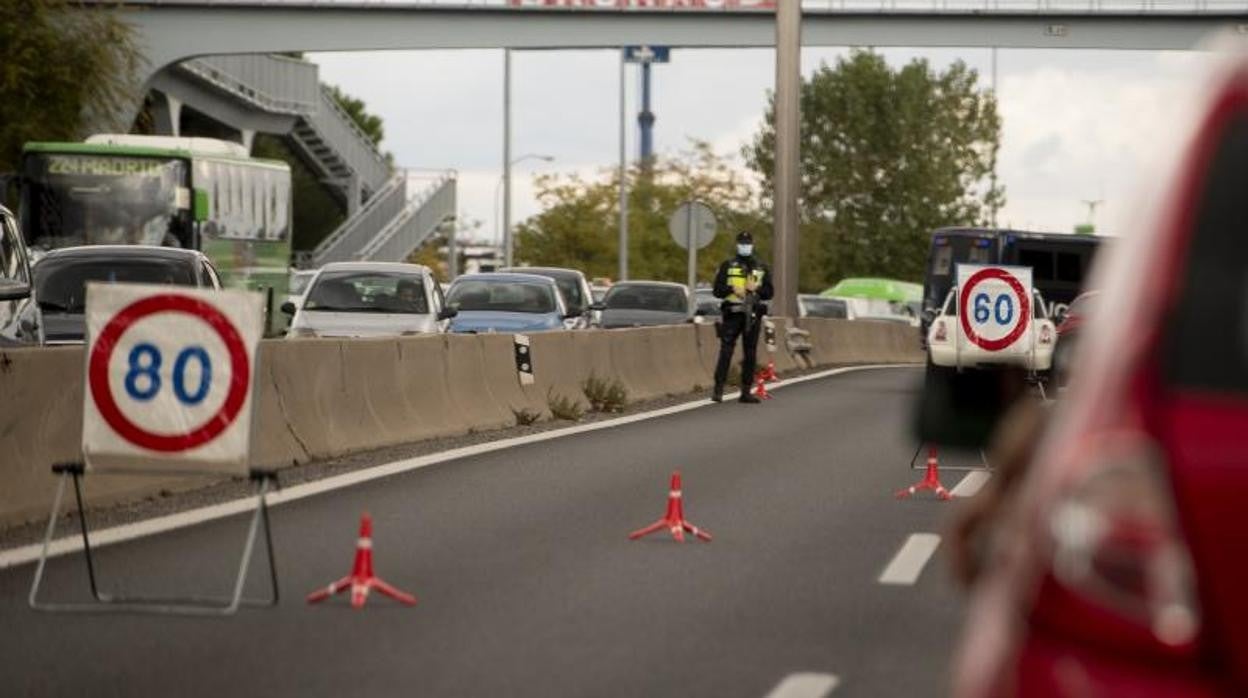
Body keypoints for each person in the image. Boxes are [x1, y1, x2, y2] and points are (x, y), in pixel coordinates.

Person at [711, 231, 774, 403]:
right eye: (742, 243)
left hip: (753, 314)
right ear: (737, 244)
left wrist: (756, 289)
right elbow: (717, 290)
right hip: (732, 313)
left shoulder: (761, 267)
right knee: (726, 350)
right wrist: (732, 289)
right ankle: (718, 389)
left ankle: (746, 391)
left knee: (750, 353)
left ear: (752, 244)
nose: (745, 245)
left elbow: (769, 292)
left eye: (747, 243)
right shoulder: (728, 265)